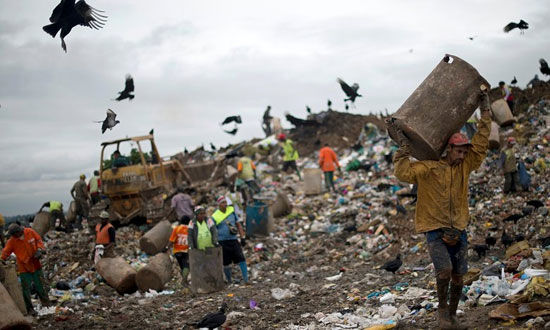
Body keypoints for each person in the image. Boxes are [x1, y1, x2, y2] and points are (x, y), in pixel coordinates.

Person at [391, 91, 491, 330]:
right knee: (444, 270)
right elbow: (402, 172)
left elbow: (481, 142)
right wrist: (404, 147)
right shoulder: (429, 169)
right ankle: (442, 311)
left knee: (459, 276)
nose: (463, 155)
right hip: (435, 228)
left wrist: (485, 112)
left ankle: (453, 315)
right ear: (448, 149)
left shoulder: (465, 166)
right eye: (459, 151)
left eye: (465, 151)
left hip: (459, 227)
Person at [1, 223, 51, 314]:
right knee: (26, 289)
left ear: (18, 231)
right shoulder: (12, 241)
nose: (14, 236)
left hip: (36, 265)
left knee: (40, 286)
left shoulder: (30, 232)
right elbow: (5, 252)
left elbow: (39, 240)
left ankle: (47, 305)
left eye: (14, 234)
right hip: (24, 267)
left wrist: (40, 250)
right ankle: (29, 309)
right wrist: (1, 260)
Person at [212, 196, 248, 284]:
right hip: (222, 241)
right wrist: (215, 242)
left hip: (233, 239)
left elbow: (238, 224)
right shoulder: (215, 216)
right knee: (226, 262)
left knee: (241, 258)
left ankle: (246, 279)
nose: (225, 204)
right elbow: (213, 231)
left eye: (225, 202)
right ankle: (229, 280)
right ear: (219, 205)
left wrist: (242, 237)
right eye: (223, 203)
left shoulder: (231, 211)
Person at [167, 215, 190, 284]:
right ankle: (184, 280)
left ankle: (184, 280)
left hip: (177, 251)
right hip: (186, 251)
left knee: (182, 266)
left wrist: (166, 248)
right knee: (186, 266)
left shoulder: (176, 229)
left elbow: (171, 240)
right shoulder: (190, 230)